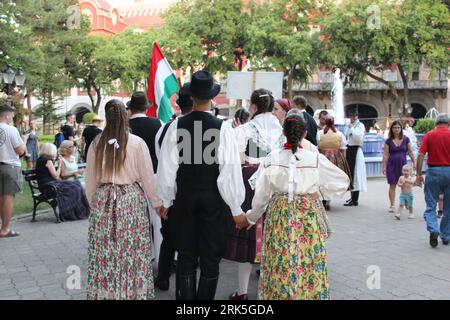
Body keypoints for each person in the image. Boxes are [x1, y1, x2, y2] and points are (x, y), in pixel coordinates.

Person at [237, 114, 349, 300]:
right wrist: (319, 193)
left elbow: (262, 196)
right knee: (308, 260)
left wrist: (250, 217)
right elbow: (342, 181)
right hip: (307, 214)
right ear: (305, 133)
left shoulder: (272, 158)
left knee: (279, 259)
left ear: (283, 133)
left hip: (279, 214)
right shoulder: (314, 159)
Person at [157, 70, 245, 300]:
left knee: (185, 255)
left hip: (184, 196)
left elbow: (167, 168)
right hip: (213, 199)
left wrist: (165, 200)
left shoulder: (176, 126)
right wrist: (236, 208)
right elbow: (229, 172)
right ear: (211, 98)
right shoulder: (223, 127)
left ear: (192, 97)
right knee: (210, 257)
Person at [85, 99, 162, 300]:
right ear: (125, 115)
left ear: (106, 117)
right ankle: (132, 293)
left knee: (105, 252)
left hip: (103, 201)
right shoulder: (136, 143)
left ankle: (106, 294)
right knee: (132, 251)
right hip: (131, 201)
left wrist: (94, 203)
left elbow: (90, 181)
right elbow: (147, 178)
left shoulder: (96, 143)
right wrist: (157, 203)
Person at [224, 88, 282, 300]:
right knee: (272, 236)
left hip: (250, 182)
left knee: (248, 238)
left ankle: (242, 292)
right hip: (276, 182)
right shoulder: (281, 130)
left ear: (254, 106)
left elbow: (238, 162)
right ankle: (270, 290)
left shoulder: (244, 130)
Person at [153, 83, 193, 292]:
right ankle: (182, 284)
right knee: (186, 242)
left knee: (168, 238)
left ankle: (163, 277)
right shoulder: (192, 129)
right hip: (186, 192)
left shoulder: (164, 129)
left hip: (172, 192)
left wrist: (164, 198)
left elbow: (162, 164)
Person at [415, 113, 450, 248]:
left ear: (436, 123)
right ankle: (446, 236)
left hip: (433, 171)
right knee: (448, 207)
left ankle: (433, 229)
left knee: (430, 205)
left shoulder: (429, 135)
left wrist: (418, 174)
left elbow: (420, 155)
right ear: (449, 123)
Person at [35, 143, 89, 221]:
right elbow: (56, 176)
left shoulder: (40, 159)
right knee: (75, 186)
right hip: (49, 186)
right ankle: (72, 212)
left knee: (75, 184)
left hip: (45, 185)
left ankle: (74, 211)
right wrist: (60, 165)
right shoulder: (48, 161)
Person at [0, 103, 26, 238]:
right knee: (8, 197)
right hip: (9, 166)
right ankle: (4, 229)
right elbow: (20, 150)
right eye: (11, 115)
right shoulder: (11, 129)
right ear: (7, 115)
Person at [317, 115, 352, 210]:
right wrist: (343, 160)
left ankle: (324, 199)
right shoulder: (339, 134)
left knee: (323, 179)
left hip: (322, 158)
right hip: (335, 158)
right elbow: (343, 147)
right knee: (332, 179)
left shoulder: (319, 133)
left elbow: (317, 146)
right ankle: (328, 200)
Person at [382, 121, 416, 212]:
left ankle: (406, 202)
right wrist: (384, 167)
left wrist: (414, 163)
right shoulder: (388, 141)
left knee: (405, 184)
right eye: (394, 127)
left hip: (403, 166)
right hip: (391, 165)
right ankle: (392, 205)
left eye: (398, 127)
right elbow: (385, 155)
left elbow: (410, 152)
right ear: (391, 129)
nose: (396, 129)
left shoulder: (406, 139)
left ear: (401, 129)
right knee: (392, 185)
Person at [128, 91, 162, 174]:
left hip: (129, 173)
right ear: (146, 109)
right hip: (153, 171)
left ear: (131, 109)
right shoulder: (158, 123)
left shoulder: (123, 125)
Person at [344, 109, 367, 206]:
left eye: (354, 116)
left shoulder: (360, 125)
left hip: (356, 150)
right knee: (350, 174)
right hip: (349, 150)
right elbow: (346, 137)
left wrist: (352, 129)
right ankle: (351, 197)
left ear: (357, 116)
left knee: (356, 174)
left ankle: (355, 199)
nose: (352, 118)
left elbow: (359, 139)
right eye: (351, 116)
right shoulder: (351, 125)